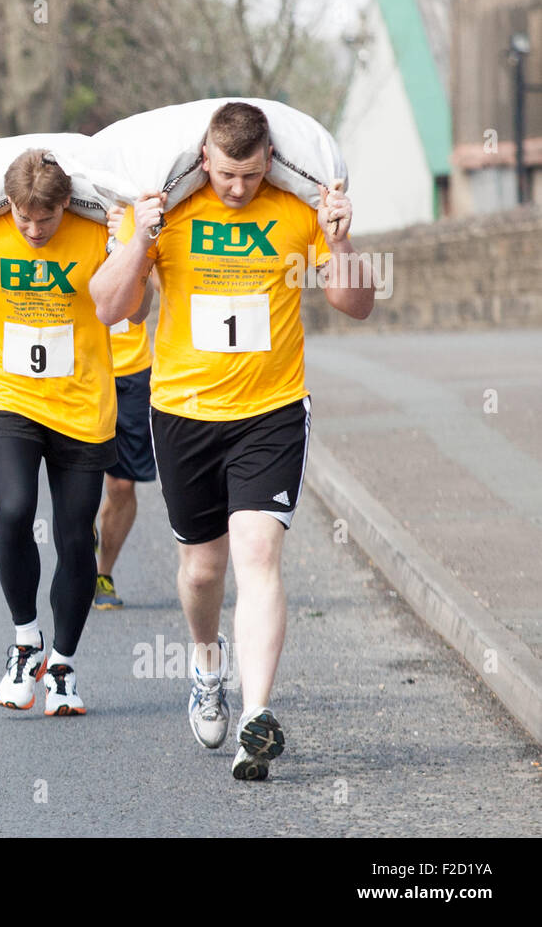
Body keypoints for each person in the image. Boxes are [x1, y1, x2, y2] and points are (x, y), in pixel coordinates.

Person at [90, 101, 376, 780]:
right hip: (184, 410)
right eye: (225, 175)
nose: (237, 189)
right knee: (202, 569)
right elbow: (109, 307)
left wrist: (339, 243)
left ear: (269, 161)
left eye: (249, 175)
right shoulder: (166, 208)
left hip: (272, 409)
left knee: (258, 554)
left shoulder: (296, 209)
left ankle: (256, 717)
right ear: (204, 158)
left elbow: (357, 304)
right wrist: (138, 241)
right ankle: (206, 663)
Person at [0, 149, 139, 716]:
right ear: (9, 205)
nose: (34, 230)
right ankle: (25, 641)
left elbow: (134, 314)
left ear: (66, 203)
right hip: (6, 394)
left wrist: (128, 248)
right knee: (14, 509)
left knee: (73, 537)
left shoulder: (96, 231)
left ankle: (62, 665)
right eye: (24, 218)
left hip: (83, 403)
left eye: (46, 219)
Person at [92, 206, 159, 610]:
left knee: (120, 484)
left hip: (130, 370)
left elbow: (140, 308)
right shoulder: (62, 220)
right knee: (79, 484)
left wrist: (129, 245)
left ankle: (104, 573)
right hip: (78, 369)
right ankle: (81, 544)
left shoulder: (135, 215)